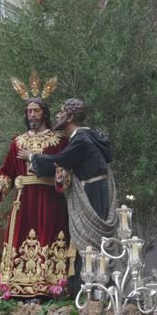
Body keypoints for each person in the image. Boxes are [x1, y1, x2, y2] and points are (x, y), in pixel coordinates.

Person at [24, 98, 118, 293]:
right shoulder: (89, 136)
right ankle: (94, 289)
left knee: (89, 243)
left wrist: (33, 157)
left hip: (91, 195)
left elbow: (61, 160)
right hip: (97, 191)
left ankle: (90, 291)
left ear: (70, 116)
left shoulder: (81, 139)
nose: (57, 115)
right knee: (92, 246)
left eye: (61, 112)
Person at [0, 83, 72, 298]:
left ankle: (51, 287)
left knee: (51, 237)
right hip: (24, 201)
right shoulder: (18, 142)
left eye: (36, 110)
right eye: (29, 111)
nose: (32, 114)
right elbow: (6, 171)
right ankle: (16, 288)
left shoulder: (59, 140)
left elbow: (65, 168)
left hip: (49, 199)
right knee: (21, 238)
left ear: (44, 112)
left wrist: (62, 177)